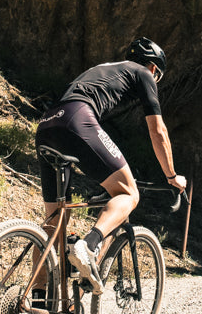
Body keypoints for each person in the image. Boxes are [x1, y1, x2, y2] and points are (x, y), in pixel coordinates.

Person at [35, 37, 186, 294]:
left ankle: (35, 303)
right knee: (129, 192)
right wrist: (171, 176)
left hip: (47, 125)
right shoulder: (143, 73)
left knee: (53, 225)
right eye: (157, 75)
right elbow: (158, 131)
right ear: (153, 68)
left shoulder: (106, 68)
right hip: (78, 120)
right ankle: (90, 245)